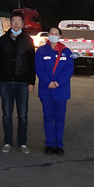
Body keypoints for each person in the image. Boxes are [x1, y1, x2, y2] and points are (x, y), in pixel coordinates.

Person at [0, 10, 36, 153]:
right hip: (5, 82)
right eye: (14, 21)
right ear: (10, 23)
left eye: (19, 21)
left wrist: (31, 82)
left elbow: (31, 62)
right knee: (7, 115)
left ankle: (22, 142)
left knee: (22, 115)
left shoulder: (28, 40)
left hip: (22, 83)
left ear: (23, 24)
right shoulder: (3, 40)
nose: (16, 24)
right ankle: (8, 141)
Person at [35, 26, 74, 155]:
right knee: (48, 117)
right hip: (46, 90)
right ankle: (49, 143)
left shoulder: (66, 51)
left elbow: (69, 69)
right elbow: (39, 69)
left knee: (59, 118)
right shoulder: (41, 51)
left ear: (60, 36)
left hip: (61, 90)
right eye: (51, 33)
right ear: (48, 35)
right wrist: (48, 82)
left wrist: (58, 82)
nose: (53, 35)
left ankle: (58, 144)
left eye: (56, 34)